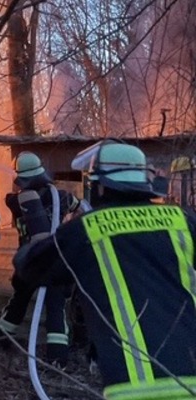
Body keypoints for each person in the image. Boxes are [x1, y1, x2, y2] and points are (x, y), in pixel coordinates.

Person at [14, 142, 196, 399]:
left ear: (100, 186)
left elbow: (30, 267)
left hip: (135, 386)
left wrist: (31, 242)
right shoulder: (184, 221)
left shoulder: (87, 229)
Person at [0, 151, 81, 367]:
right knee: (56, 307)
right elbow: (80, 208)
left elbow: (14, 200)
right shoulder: (61, 196)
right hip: (55, 262)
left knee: (19, 301)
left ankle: (0, 340)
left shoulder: (16, 201)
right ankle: (58, 359)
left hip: (30, 262)